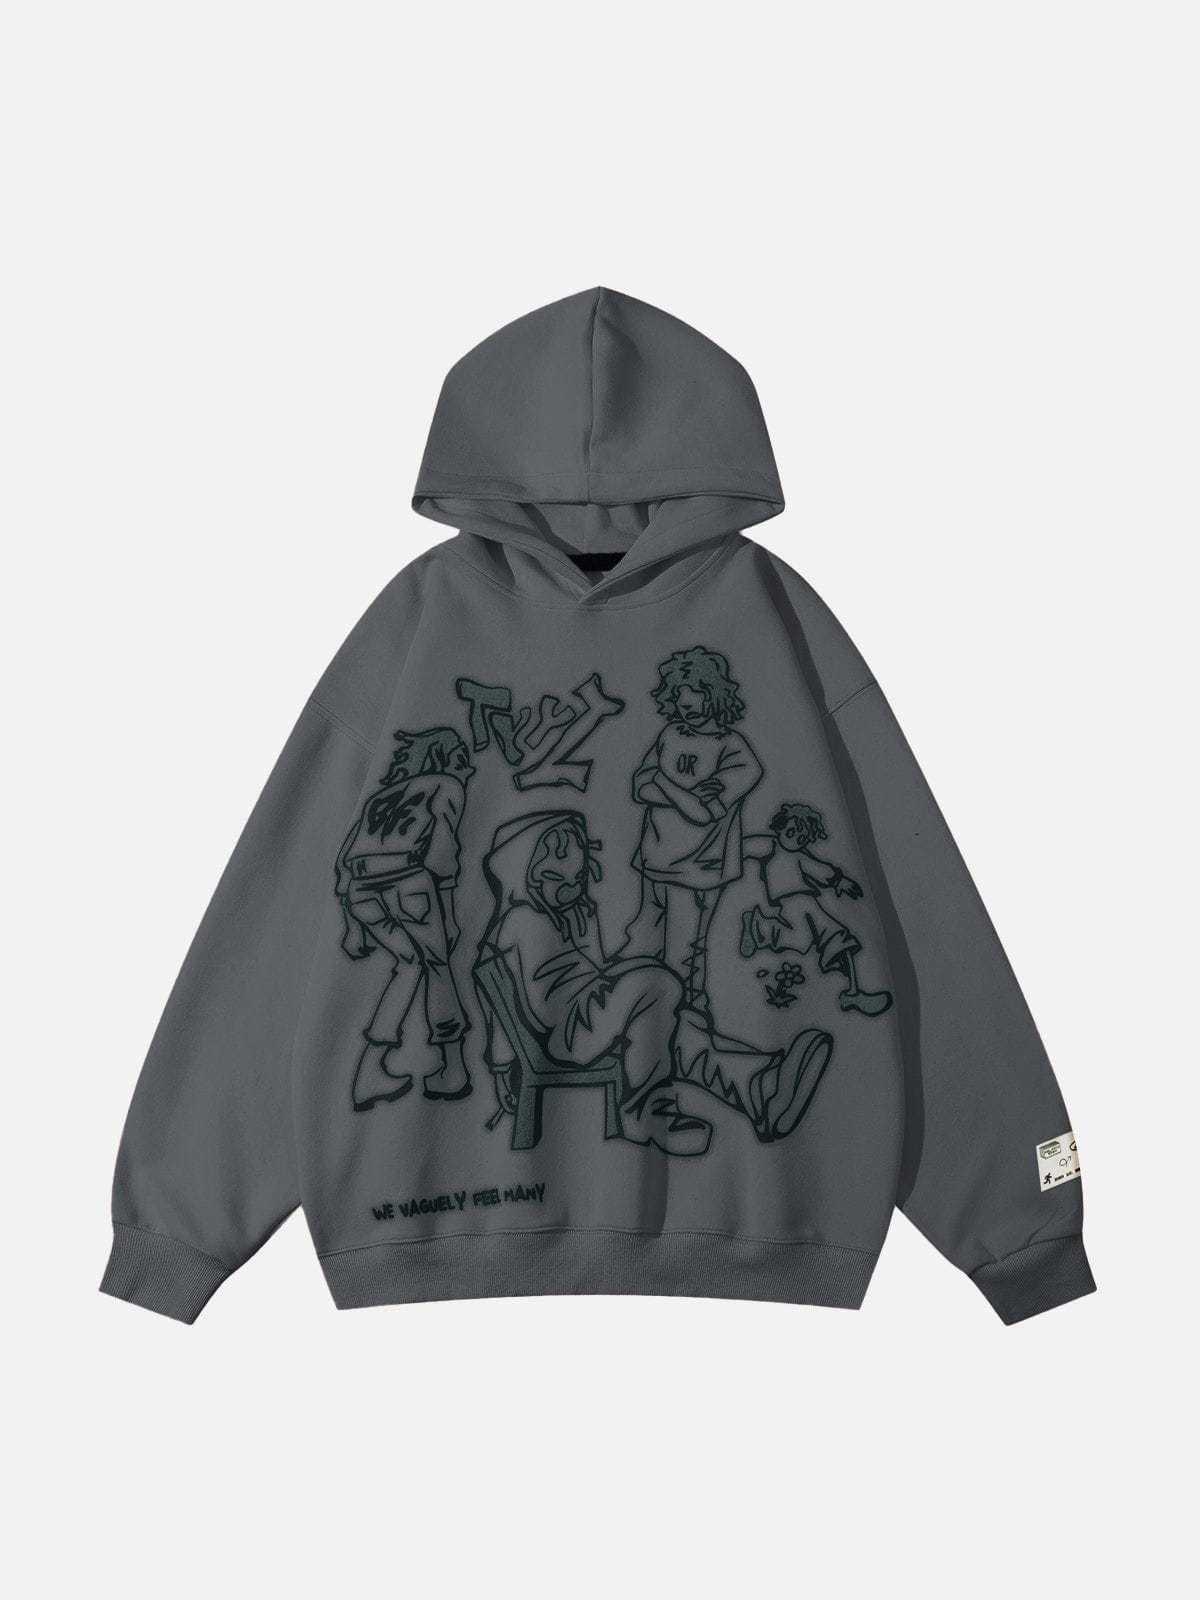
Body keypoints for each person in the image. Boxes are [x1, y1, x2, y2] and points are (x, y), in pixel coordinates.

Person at [479, 809, 832, 1156]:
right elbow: (497, 998)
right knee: (658, 984)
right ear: (525, 871)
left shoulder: (574, 916)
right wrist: (503, 1065)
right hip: (569, 1032)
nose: (575, 877)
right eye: (556, 864)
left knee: (680, 1027)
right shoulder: (519, 920)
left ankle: (761, 1088)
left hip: (590, 1018)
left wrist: (600, 943)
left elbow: (595, 973)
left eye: (578, 865)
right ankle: (644, 1110)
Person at [336, 726, 475, 1109]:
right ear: (443, 756)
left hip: (362, 891)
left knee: (409, 966)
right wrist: (448, 912)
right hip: (408, 882)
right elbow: (443, 848)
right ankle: (452, 1068)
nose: (465, 763)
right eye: (458, 755)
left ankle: (370, 1070)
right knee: (438, 967)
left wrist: (352, 927)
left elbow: (345, 858)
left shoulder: (379, 797)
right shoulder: (445, 785)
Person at [621, 646, 762, 1009]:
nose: (686, 703)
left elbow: (702, 813)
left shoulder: (736, 751)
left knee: (684, 954)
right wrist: (685, 794)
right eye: (679, 695)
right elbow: (639, 787)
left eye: (696, 692)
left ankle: (688, 1019)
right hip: (653, 860)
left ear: (715, 692)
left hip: (699, 871)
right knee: (643, 941)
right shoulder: (669, 734)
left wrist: (663, 782)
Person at [741, 801, 892, 1017]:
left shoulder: (801, 857)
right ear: (780, 827)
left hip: (809, 906)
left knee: (832, 939)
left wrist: (839, 881)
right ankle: (756, 926)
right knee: (805, 940)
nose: (795, 839)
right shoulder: (770, 846)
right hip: (791, 907)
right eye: (791, 831)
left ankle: (853, 992)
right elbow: (742, 846)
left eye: (802, 838)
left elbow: (821, 870)